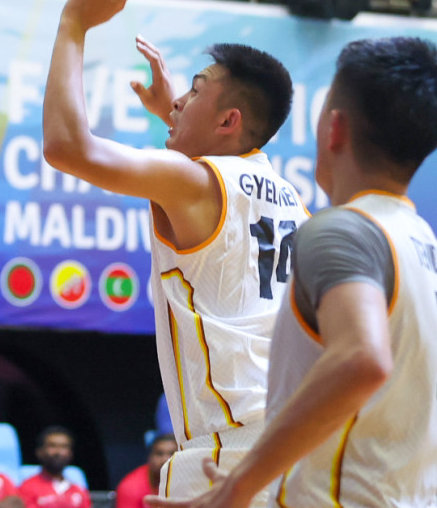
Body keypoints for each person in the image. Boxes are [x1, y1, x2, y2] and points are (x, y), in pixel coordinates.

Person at [42, 0, 303, 505]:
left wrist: (73, 24)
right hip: (291, 437)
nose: (178, 100)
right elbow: (222, 176)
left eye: (194, 91)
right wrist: (177, 115)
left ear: (229, 119)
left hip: (226, 452)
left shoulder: (194, 182)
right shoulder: (290, 197)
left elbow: (68, 146)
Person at [151, 38, 437, 508]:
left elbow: (362, 360)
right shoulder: (419, 239)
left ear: (334, 128)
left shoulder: (342, 231)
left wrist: (238, 486)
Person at [17, 429, 89, 508]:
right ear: (39, 452)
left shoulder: (78, 491)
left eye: (64, 447)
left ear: (70, 453)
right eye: (52, 446)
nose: (58, 452)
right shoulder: (27, 488)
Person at [114, 433, 175, 508]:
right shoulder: (130, 487)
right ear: (150, 457)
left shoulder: (191, 481)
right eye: (159, 453)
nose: (165, 460)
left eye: (172, 454)